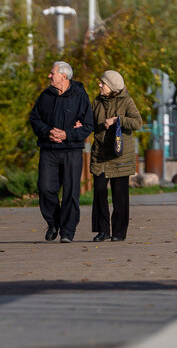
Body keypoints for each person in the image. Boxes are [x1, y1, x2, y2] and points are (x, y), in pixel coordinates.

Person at [29, 61, 94, 243]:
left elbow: (88, 125)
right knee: (45, 188)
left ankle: (67, 231)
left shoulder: (80, 96)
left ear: (64, 76)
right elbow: (35, 119)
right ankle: (54, 222)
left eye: (52, 73)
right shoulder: (45, 96)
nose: (49, 76)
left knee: (71, 192)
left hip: (71, 151)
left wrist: (67, 134)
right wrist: (48, 132)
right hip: (49, 150)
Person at [90, 70, 143, 242]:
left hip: (119, 155)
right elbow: (90, 121)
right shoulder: (97, 101)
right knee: (99, 190)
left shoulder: (127, 101)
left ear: (112, 87)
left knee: (119, 195)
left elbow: (137, 122)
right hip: (101, 154)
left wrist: (117, 120)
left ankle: (119, 232)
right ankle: (102, 230)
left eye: (102, 83)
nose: (99, 85)